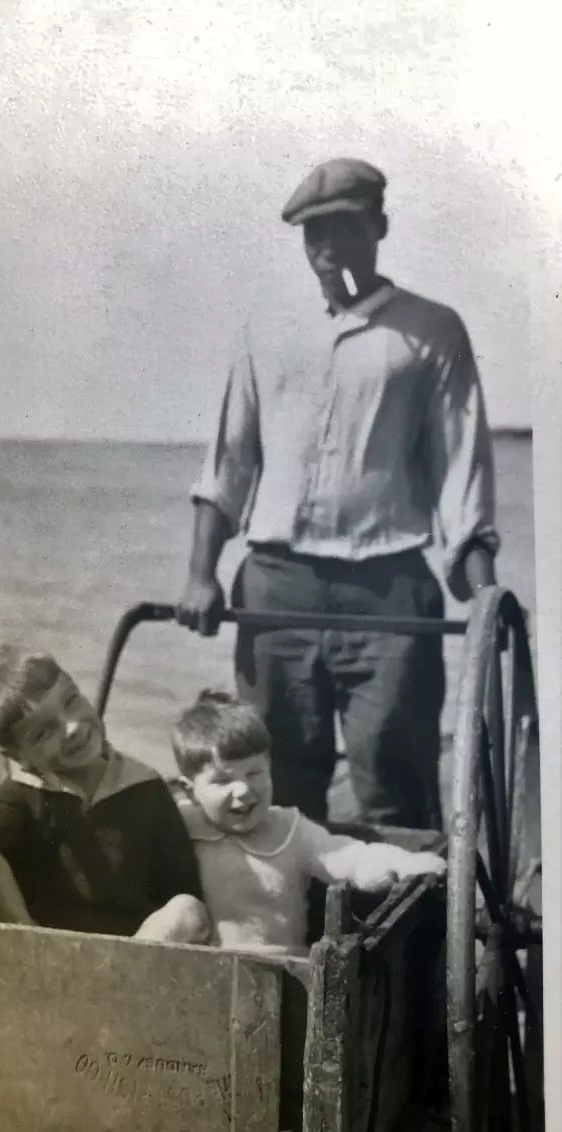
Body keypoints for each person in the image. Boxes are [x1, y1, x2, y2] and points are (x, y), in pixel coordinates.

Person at [176, 157, 499, 829]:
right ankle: (286, 933)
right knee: (276, 783)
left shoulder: (430, 331)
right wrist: (200, 574)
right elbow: (229, 460)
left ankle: (408, 933)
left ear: (378, 226)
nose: (327, 248)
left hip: (388, 595)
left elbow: (460, 469)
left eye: (345, 230)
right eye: (313, 234)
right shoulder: (266, 328)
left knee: (392, 777)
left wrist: (483, 594)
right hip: (275, 589)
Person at [0, 644, 207, 941]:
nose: (71, 728)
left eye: (71, 701)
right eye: (43, 732)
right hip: (41, 941)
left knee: (187, 907)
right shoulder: (25, 793)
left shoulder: (144, 786)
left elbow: (182, 885)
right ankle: (39, 963)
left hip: (137, 944)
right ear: (18, 755)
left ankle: (119, 981)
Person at [150, 690, 445, 957]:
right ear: (190, 790)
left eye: (254, 773)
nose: (243, 790)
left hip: (284, 971)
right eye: (223, 780)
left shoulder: (289, 828)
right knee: (179, 913)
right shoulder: (183, 824)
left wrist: (405, 864)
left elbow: (350, 858)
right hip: (204, 974)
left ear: (269, 767)